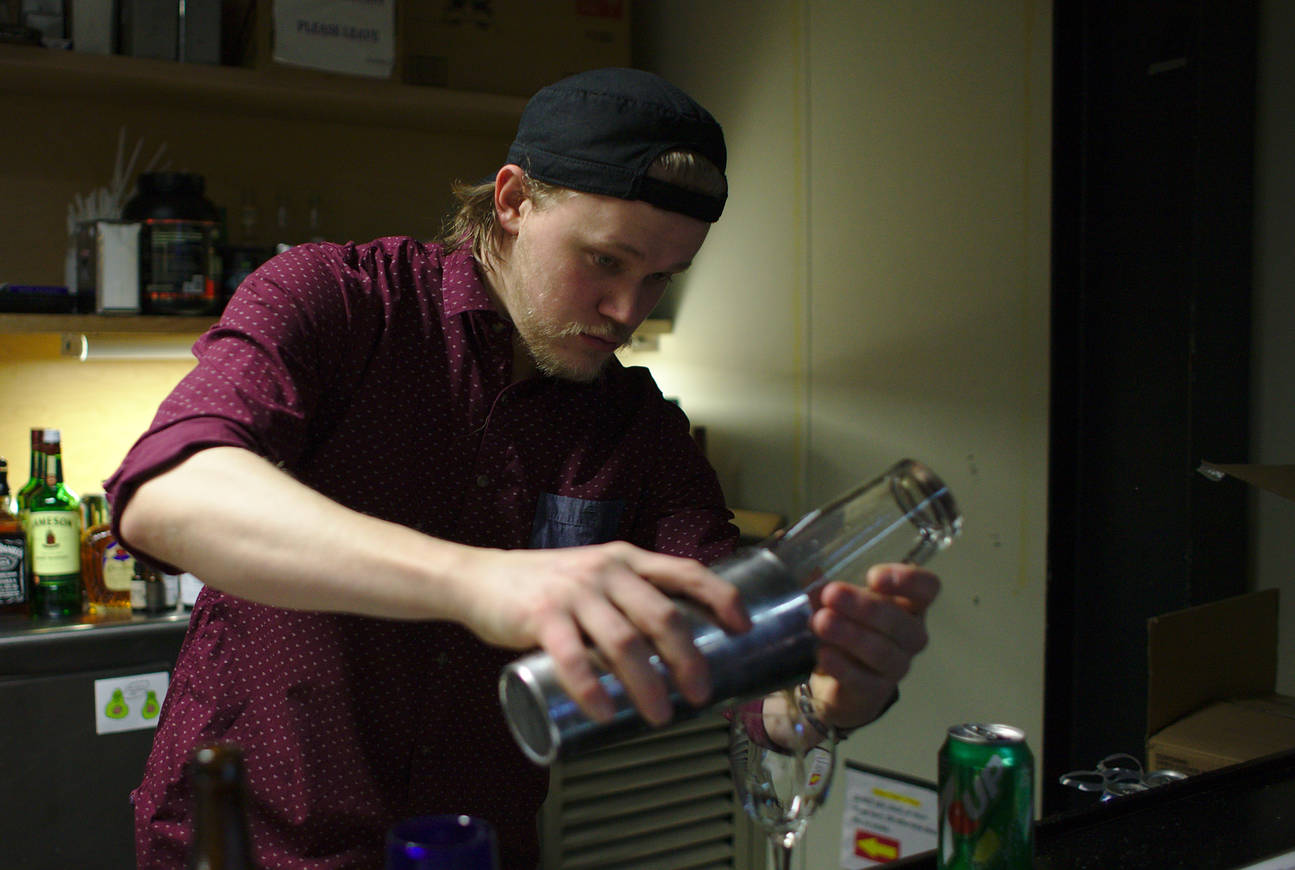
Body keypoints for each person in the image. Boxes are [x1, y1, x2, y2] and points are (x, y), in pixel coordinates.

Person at [107, 67, 941, 869]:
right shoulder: (340, 302)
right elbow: (167, 495)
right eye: (605, 261)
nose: (627, 313)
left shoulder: (634, 430)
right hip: (245, 846)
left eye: (660, 279)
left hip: (476, 850)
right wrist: (478, 582)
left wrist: (820, 699)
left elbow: (734, 643)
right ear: (511, 200)